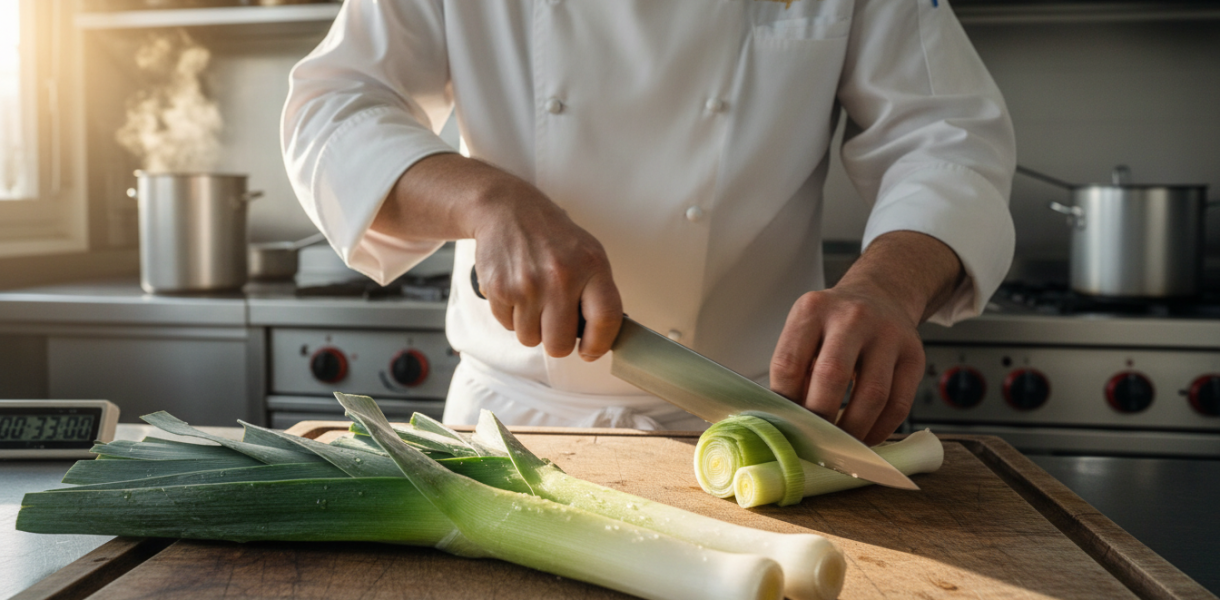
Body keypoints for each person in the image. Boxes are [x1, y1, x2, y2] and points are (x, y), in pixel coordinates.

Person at [282, 0, 1015, 445]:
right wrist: (486, 199)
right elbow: (331, 114)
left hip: (750, 423)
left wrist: (887, 285)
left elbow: (947, 137)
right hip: (513, 429)